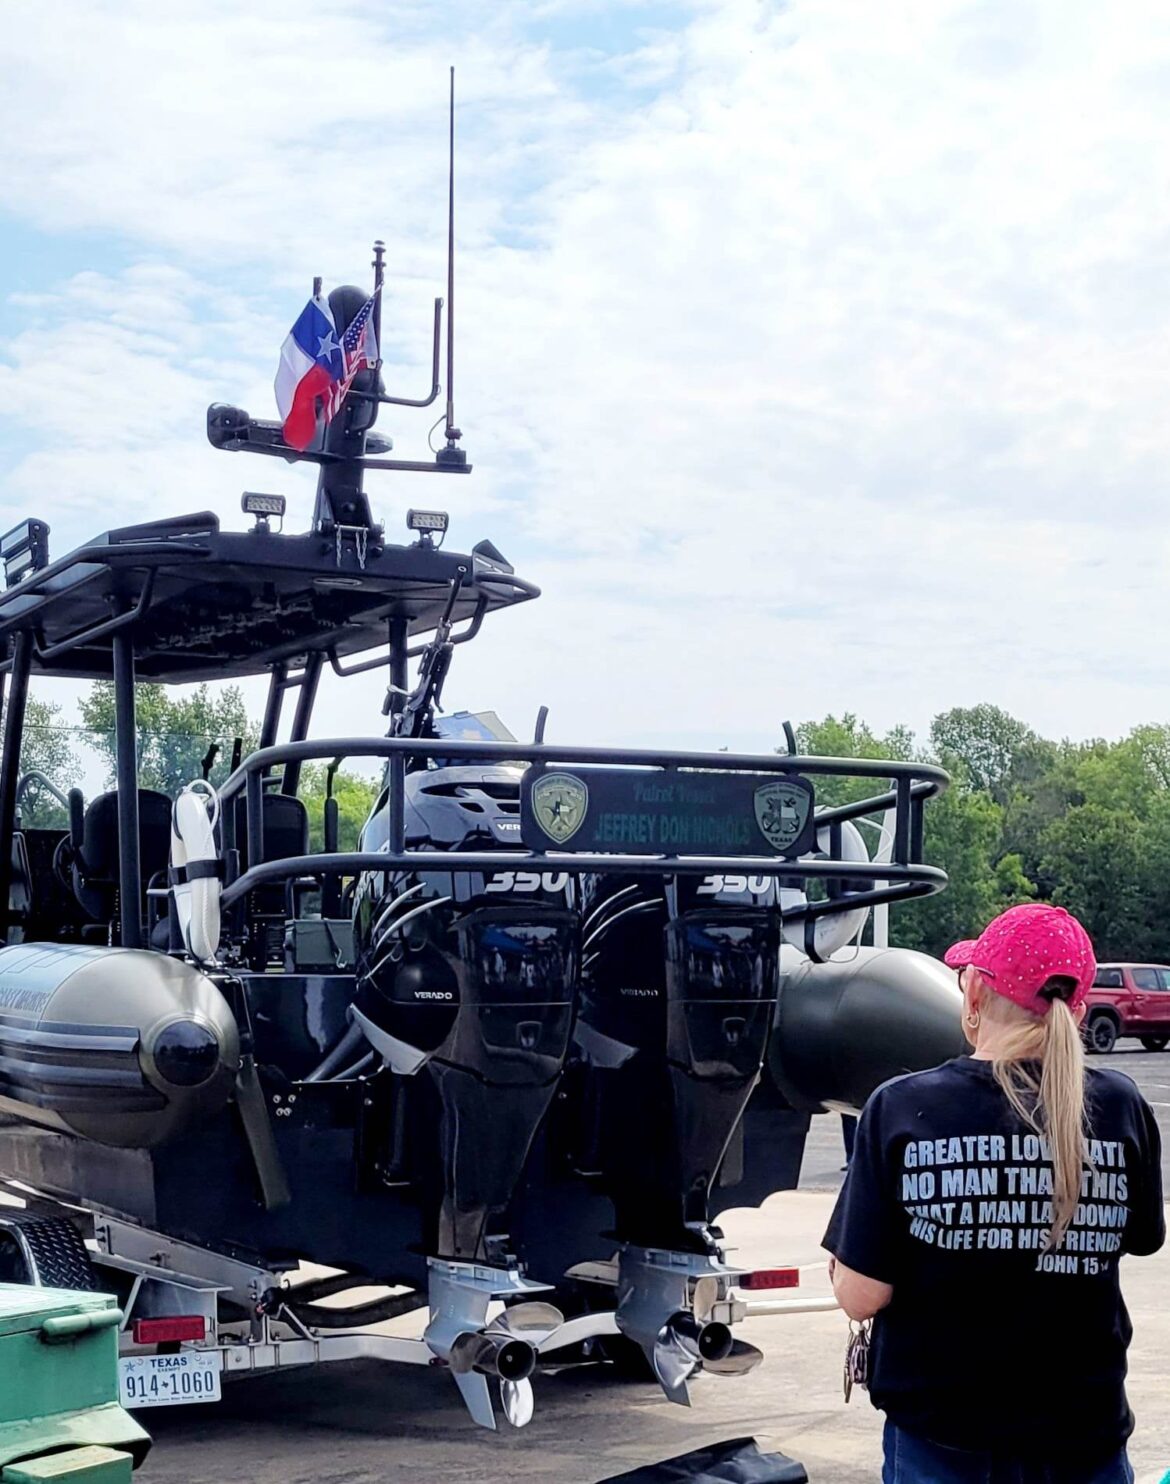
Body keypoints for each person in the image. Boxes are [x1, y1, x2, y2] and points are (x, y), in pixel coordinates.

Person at [823, 903, 1164, 1484]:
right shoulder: (1120, 1106)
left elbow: (860, 1295)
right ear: (1078, 1009)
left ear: (976, 993)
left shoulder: (902, 1107)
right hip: (1085, 1436)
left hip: (945, 1441)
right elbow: (1141, 1239)